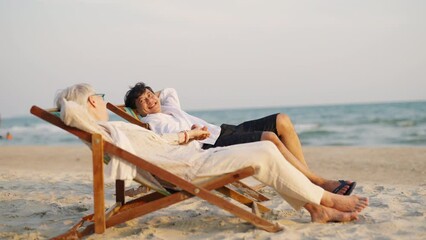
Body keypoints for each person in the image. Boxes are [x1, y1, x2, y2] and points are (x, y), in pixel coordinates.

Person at [55, 83, 368, 224]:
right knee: (267, 149)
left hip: (191, 161)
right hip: (192, 164)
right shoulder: (125, 130)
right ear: (93, 104)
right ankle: (324, 201)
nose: (151, 101)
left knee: (266, 149)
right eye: (98, 96)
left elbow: (154, 148)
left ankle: (318, 207)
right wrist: (191, 134)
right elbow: (163, 147)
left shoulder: (114, 132)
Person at [124, 82, 356, 195]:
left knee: (282, 120)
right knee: (269, 138)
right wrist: (193, 133)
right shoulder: (152, 123)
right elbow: (170, 141)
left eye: (150, 95)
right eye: (143, 101)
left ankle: (307, 181)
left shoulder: (168, 107)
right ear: (139, 111)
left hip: (223, 130)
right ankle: (319, 183)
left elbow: (169, 90)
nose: (150, 100)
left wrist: (150, 95)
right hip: (210, 145)